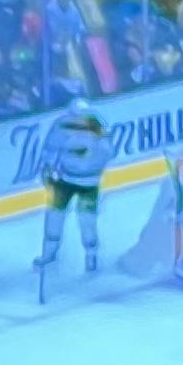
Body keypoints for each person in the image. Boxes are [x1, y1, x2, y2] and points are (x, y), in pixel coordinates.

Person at [38, 103, 114, 284]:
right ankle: (49, 253)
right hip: (64, 180)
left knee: (87, 221)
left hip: (89, 183)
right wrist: (48, 168)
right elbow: (50, 148)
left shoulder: (98, 127)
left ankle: (91, 254)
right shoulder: (62, 124)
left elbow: (107, 152)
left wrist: (89, 158)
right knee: (54, 217)